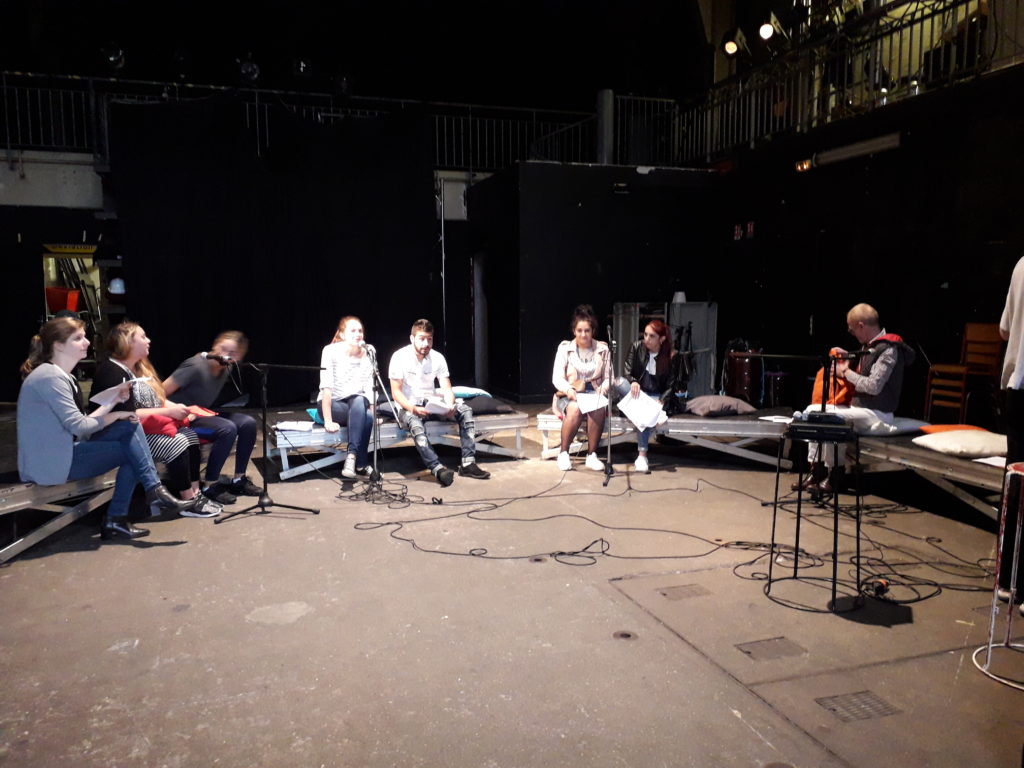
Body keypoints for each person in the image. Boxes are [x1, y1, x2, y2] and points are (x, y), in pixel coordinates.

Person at [17, 317, 190, 540]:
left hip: (62, 453)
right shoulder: (49, 377)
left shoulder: (63, 376)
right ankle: (138, 502)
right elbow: (80, 426)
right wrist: (116, 413)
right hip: (49, 463)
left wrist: (113, 401)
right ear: (58, 345)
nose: (87, 342)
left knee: (130, 436)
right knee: (131, 442)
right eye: (78, 338)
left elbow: (81, 424)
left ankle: (142, 500)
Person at [91, 322, 222, 518]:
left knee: (190, 436)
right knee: (176, 443)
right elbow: (127, 414)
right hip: (123, 435)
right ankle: (187, 500)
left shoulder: (137, 368)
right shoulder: (112, 371)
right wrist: (168, 413)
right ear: (127, 342)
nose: (148, 340)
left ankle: (195, 494)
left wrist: (179, 409)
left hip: (141, 430)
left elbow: (158, 399)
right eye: (143, 337)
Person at [797, 303, 915, 498]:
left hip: (878, 413)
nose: (852, 334)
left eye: (852, 330)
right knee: (812, 410)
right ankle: (816, 469)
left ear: (861, 325)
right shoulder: (867, 348)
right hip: (862, 410)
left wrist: (845, 371)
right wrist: (848, 358)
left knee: (829, 417)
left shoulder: (889, 349)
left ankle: (836, 475)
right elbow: (862, 373)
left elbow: (873, 386)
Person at [388, 318, 490, 486]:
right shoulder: (399, 357)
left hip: (431, 403)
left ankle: (468, 463)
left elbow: (446, 387)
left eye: (429, 339)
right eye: (421, 339)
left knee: (465, 410)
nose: (426, 344)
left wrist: (449, 406)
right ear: (412, 338)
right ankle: (437, 468)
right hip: (409, 406)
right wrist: (413, 408)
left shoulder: (437, 357)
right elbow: (396, 392)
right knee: (415, 424)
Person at [163, 331, 260, 504]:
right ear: (215, 346)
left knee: (248, 423)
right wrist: (178, 410)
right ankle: (210, 485)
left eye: (232, 353)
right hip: (177, 419)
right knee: (227, 428)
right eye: (223, 349)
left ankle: (239, 480)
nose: (225, 355)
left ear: (238, 358)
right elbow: (158, 393)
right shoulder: (195, 366)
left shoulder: (227, 367)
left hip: (199, 413)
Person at [318, 316, 378, 481]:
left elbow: (370, 386)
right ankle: (360, 463)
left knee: (367, 413)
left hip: (357, 405)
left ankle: (352, 459)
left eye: (360, 330)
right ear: (342, 335)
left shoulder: (369, 352)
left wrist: (374, 414)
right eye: (353, 331)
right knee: (364, 411)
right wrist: (328, 420)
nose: (358, 334)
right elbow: (326, 387)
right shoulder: (330, 351)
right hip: (333, 405)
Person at [552, 304, 611, 472]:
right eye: (579, 331)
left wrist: (602, 389)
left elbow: (609, 378)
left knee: (598, 407)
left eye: (587, 331)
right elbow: (557, 378)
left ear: (593, 331)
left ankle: (591, 455)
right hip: (570, 394)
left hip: (594, 393)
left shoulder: (603, 349)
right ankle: (564, 453)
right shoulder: (565, 348)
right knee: (575, 408)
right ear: (574, 331)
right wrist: (569, 390)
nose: (583, 335)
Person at [613, 319, 676, 473]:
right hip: (637, 394)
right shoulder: (636, 347)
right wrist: (633, 381)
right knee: (619, 382)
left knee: (643, 413)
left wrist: (662, 400)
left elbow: (671, 385)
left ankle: (642, 455)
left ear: (661, 339)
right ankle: (653, 415)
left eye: (651, 336)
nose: (646, 339)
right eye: (645, 334)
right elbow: (627, 371)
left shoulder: (671, 356)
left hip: (655, 397)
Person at [998, 255, 1024, 607]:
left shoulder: (1020, 264)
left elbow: (1004, 330)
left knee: (1017, 484)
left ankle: (1009, 580)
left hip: (1018, 386)